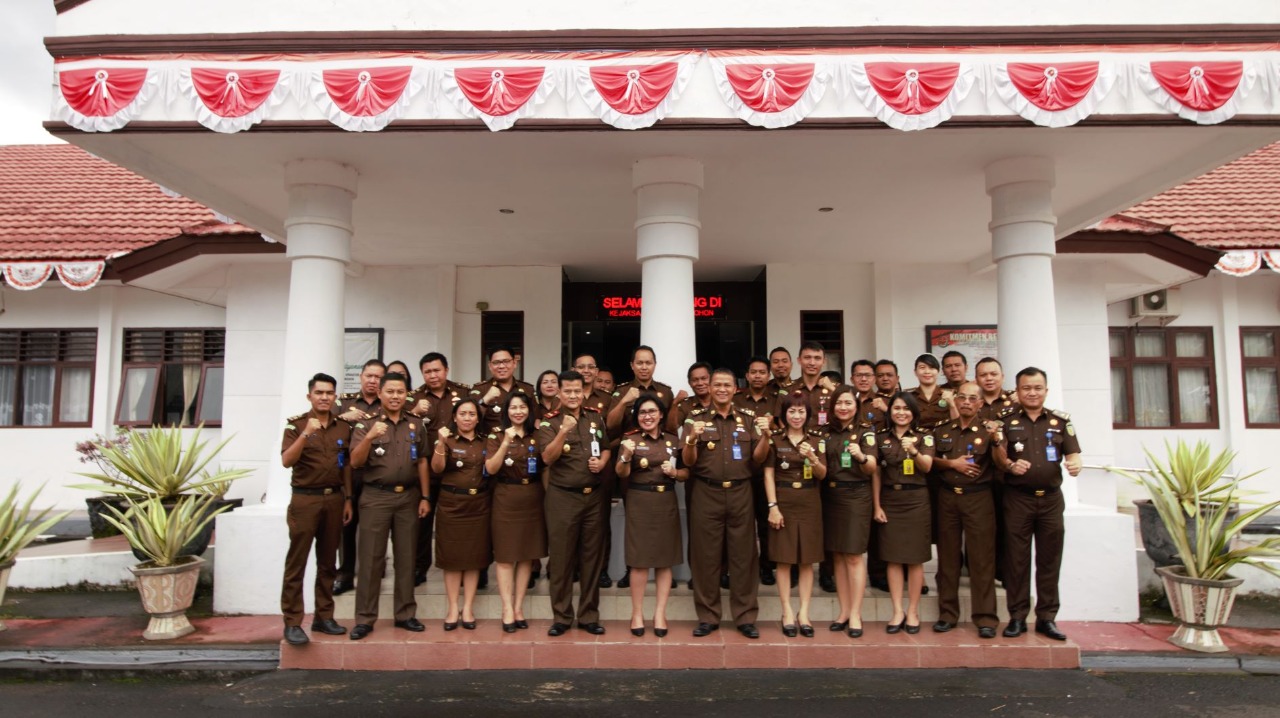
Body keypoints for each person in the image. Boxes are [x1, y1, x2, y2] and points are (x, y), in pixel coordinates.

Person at [993, 367, 1081, 642]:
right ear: (1017, 391)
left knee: (1049, 559)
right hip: (1018, 499)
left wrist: (1075, 463)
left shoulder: (1060, 421)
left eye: (1037, 387)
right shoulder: (1005, 421)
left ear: (1046, 390)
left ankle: (1047, 618)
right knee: (1017, 561)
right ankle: (1017, 617)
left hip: (1051, 500)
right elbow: (997, 456)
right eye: (1026, 388)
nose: (1032, 392)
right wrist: (1008, 464)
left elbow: (1074, 453)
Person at [682, 368, 770, 640]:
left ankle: (745, 617)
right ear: (708, 387)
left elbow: (758, 458)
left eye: (727, 385)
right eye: (716, 384)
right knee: (705, 556)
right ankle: (708, 616)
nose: (721, 389)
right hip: (706, 493)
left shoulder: (749, 419)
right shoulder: (694, 420)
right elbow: (688, 461)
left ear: (735, 389)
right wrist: (692, 439)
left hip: (741, 492)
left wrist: (767, 436)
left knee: (744, 556)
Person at [348, 372, 430, 640]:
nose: (395, 396)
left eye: (400, 392)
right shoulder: (365, 425)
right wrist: (370, 437)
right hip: (375, 497)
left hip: (408, 497)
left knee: (406, 558)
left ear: (407, 394)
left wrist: (426, 497)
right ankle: (364, 618)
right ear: (380, 394)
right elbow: (355, 462)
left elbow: (422, 462)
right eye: (390, 391)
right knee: (371, 558)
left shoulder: (416, 425)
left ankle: (405, 614)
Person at [536, 370, 611, 636]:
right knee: (562, 558)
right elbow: (547, 458)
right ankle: (562, 616)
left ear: (583, 391)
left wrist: (602, 461)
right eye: (567, 391)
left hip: (593, 497)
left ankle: (589, 615)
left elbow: (606, 446)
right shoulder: (549, 423)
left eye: (577, 391)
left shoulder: (594, 417)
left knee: (592, 558)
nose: (573, 395)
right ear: (558, 392)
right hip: (562, 497)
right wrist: (563, 432)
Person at [279, 372, 352, 645]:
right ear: (310, 395)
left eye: (329, 393)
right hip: (304, 501)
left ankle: (324, 617)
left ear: (335, 397)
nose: (324, 397)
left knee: (327, 563)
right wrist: (306, 434)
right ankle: (293, 621)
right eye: (319, 393)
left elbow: (344, 466)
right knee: (296, 563)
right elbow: (287, 461)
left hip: (334, 499)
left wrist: (348, 499)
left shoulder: (343, 427)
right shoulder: (296, 425)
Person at [930, 382, 1000, 639]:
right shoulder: (943, 430)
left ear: (981, 403)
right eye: (962, 398)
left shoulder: (990, 431)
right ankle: (947, 615)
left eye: (973, 398)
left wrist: (997, 441)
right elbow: (931, 461)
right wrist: (952, 464)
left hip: (978, 499)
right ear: (956, 401)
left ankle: (985, 618)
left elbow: (1001, 463)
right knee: (948, 558)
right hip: (948, 498)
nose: (967, 402)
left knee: (981, 559)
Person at [615, 394, 687, 637]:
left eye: (652, 412)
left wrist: (675, 472)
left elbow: (687, 471)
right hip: (639, 501)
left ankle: (660, 613)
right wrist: (625, 455)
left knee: (664, 560)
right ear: (637, 416)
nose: (647, 416)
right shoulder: (630, 440)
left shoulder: (672, 440)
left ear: (661, 415)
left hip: (665, 500)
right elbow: (621, 472)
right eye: (642, 412)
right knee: (639, 561)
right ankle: (637, 613)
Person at [605, 345, 675, 589]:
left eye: (648, 363)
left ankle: (665, 567)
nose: (644, 367)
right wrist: (625, 400)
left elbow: (672, 427)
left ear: (654, 365)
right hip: (629, 459)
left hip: (658, 459)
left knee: (663, 521)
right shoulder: (621, 390)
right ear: (632, 365)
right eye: (639, 363)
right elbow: (610, 425)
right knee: (633, 517)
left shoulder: (665, 392)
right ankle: (631, 567)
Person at [763, 392, 827, 637]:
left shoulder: (817, 440)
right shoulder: (775, 440)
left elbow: (822, 474)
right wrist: (773, 506)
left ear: (808, 414)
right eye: (792, 411)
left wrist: (813, 457)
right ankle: (787, 611)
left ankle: (804, 613)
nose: (797, 416)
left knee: (807, 561)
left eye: (801, 411)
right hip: (784, 501)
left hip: (810, 502)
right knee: (784, 559)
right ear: (784, 414)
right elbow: (768, 474)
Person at [871, 392, 934, 635]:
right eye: (896, 408)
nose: (900, 412)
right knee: (893, 557)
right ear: (890, 411)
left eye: (906, 409)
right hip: (890, 499)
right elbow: (876, 473)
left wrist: (915, 451)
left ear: (914, 413)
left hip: (916, 500)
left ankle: (914, 610)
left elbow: (927, 467)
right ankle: (897, 610)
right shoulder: (881, 439)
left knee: (915, 558)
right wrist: (877, 505)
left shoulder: (924, 437)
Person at [484, 392, 547, 632]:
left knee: (527, 555)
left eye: (523, 407)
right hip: (505, 497)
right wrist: (505, 443)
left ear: (529, 411)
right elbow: (490, 468)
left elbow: (546, 464)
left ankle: (519, 606)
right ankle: (507, 608)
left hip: (532, 496)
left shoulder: (537, 436)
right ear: (506, 411)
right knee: (505, 555)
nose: (518, 412)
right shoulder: (496, 435)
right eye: (513, 407)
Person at [410, 352, 472, 587]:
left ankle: (466, 566)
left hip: (458, 469)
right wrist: (414, 411)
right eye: (428, 371)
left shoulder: (464, 393)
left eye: (437, 370)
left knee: (459, 524)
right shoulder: (413, 398)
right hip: (425, 470)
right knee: (422, 523)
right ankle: (419, 568)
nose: (433, 375)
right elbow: (399, 424)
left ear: (446, 369)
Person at [821, 384, 878, 639]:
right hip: (831, 496)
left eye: (848, 403)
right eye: (839, 403)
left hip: (856, 496)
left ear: (857, 406)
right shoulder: (826, 433)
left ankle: (856, 612)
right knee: (838, 557)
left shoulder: (865, 433)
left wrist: (862, 457)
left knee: (854, 556)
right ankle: (843, 611)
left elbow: (873, 467)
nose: (843, 408)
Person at [430, 398, 491, 631]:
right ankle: (453, 607)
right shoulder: (447, 439)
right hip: (451, 504)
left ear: (478, 418)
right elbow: (436, 468)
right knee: (453, 559)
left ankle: (468, 608)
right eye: (462, 414)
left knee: (474, 559)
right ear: (455, 417)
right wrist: (440, 442)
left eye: (471, 414)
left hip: (478, 504)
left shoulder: (485, 442)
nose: (467, 418)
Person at [332, 359, 385, 596]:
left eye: (378, 377)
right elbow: (325, 425)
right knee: (347, 524)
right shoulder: (344, 403)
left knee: (377, 525)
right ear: (361, 377)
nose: (373, 381)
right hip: (350, 472)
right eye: (369, 376)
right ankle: (345, 573)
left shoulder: (389, 403)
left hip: (379, 470)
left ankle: (376, 568)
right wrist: (344, 418)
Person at [572, 353, 618, 589]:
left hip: (601, 468)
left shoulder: (608, 399)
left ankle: (600, 569)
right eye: (581, 367)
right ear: (573, 369)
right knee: (573, 522)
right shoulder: (567, 397)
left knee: (600, 521)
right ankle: (575, 567)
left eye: (591, 367)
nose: (586, 371)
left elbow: (615, 430)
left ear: (597, 372)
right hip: (571, 470)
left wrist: (606, 454)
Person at [735, 357, 780, 586]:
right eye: (754, 372)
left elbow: (785, 429)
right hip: (740, 468)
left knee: (766, 522)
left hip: (767, 469)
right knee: (741, 523)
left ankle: (766, 566)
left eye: (763, 372)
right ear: (747, 375)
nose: (758, 376)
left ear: (768, 375)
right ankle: (744, 567)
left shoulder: (776, 400)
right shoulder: (735, 399)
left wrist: (772, 427)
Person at [470, 346, 536, 435]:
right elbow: (471, 419)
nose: (501, 366)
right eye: (496, 362)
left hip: (522, 444)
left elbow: (536, 419)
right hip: (491, 444)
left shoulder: (528, 389)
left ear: (515, 363)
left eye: (506, 361)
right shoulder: (480, 389)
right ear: (490, 366)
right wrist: (485, 400)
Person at [908, 353, 955, 429]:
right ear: (915, 372)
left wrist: (952, 405)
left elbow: (957, 423)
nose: (927, 371)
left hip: (944, 438)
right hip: (917, 438)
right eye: (922, 367)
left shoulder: (950, 394)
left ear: (939, 372)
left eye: (932, 368)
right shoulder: (908, 397)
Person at [850, 359, 887, 432]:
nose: (863, 379)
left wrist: (886, 410)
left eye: (868, 375)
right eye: (859, 375)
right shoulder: (845, 402)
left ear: (874, 379)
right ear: (852, 379)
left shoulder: (885, 401)